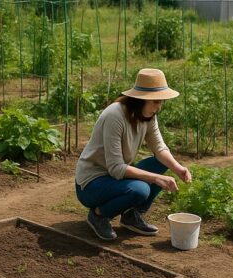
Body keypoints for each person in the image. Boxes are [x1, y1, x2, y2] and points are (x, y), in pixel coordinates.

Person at [74, 68, 191, 241]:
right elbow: (116, 168)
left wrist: (178, 168)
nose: (159, 107)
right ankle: (98, 215)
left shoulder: (148, 114)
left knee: (162, 163)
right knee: (141, 189)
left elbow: (159, 148)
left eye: (161, 101)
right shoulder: (115, 116)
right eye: (156, 101)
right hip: (92, 184)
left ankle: (131, 215)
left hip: (114, 177)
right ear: (141, 100)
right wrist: (155, 178)